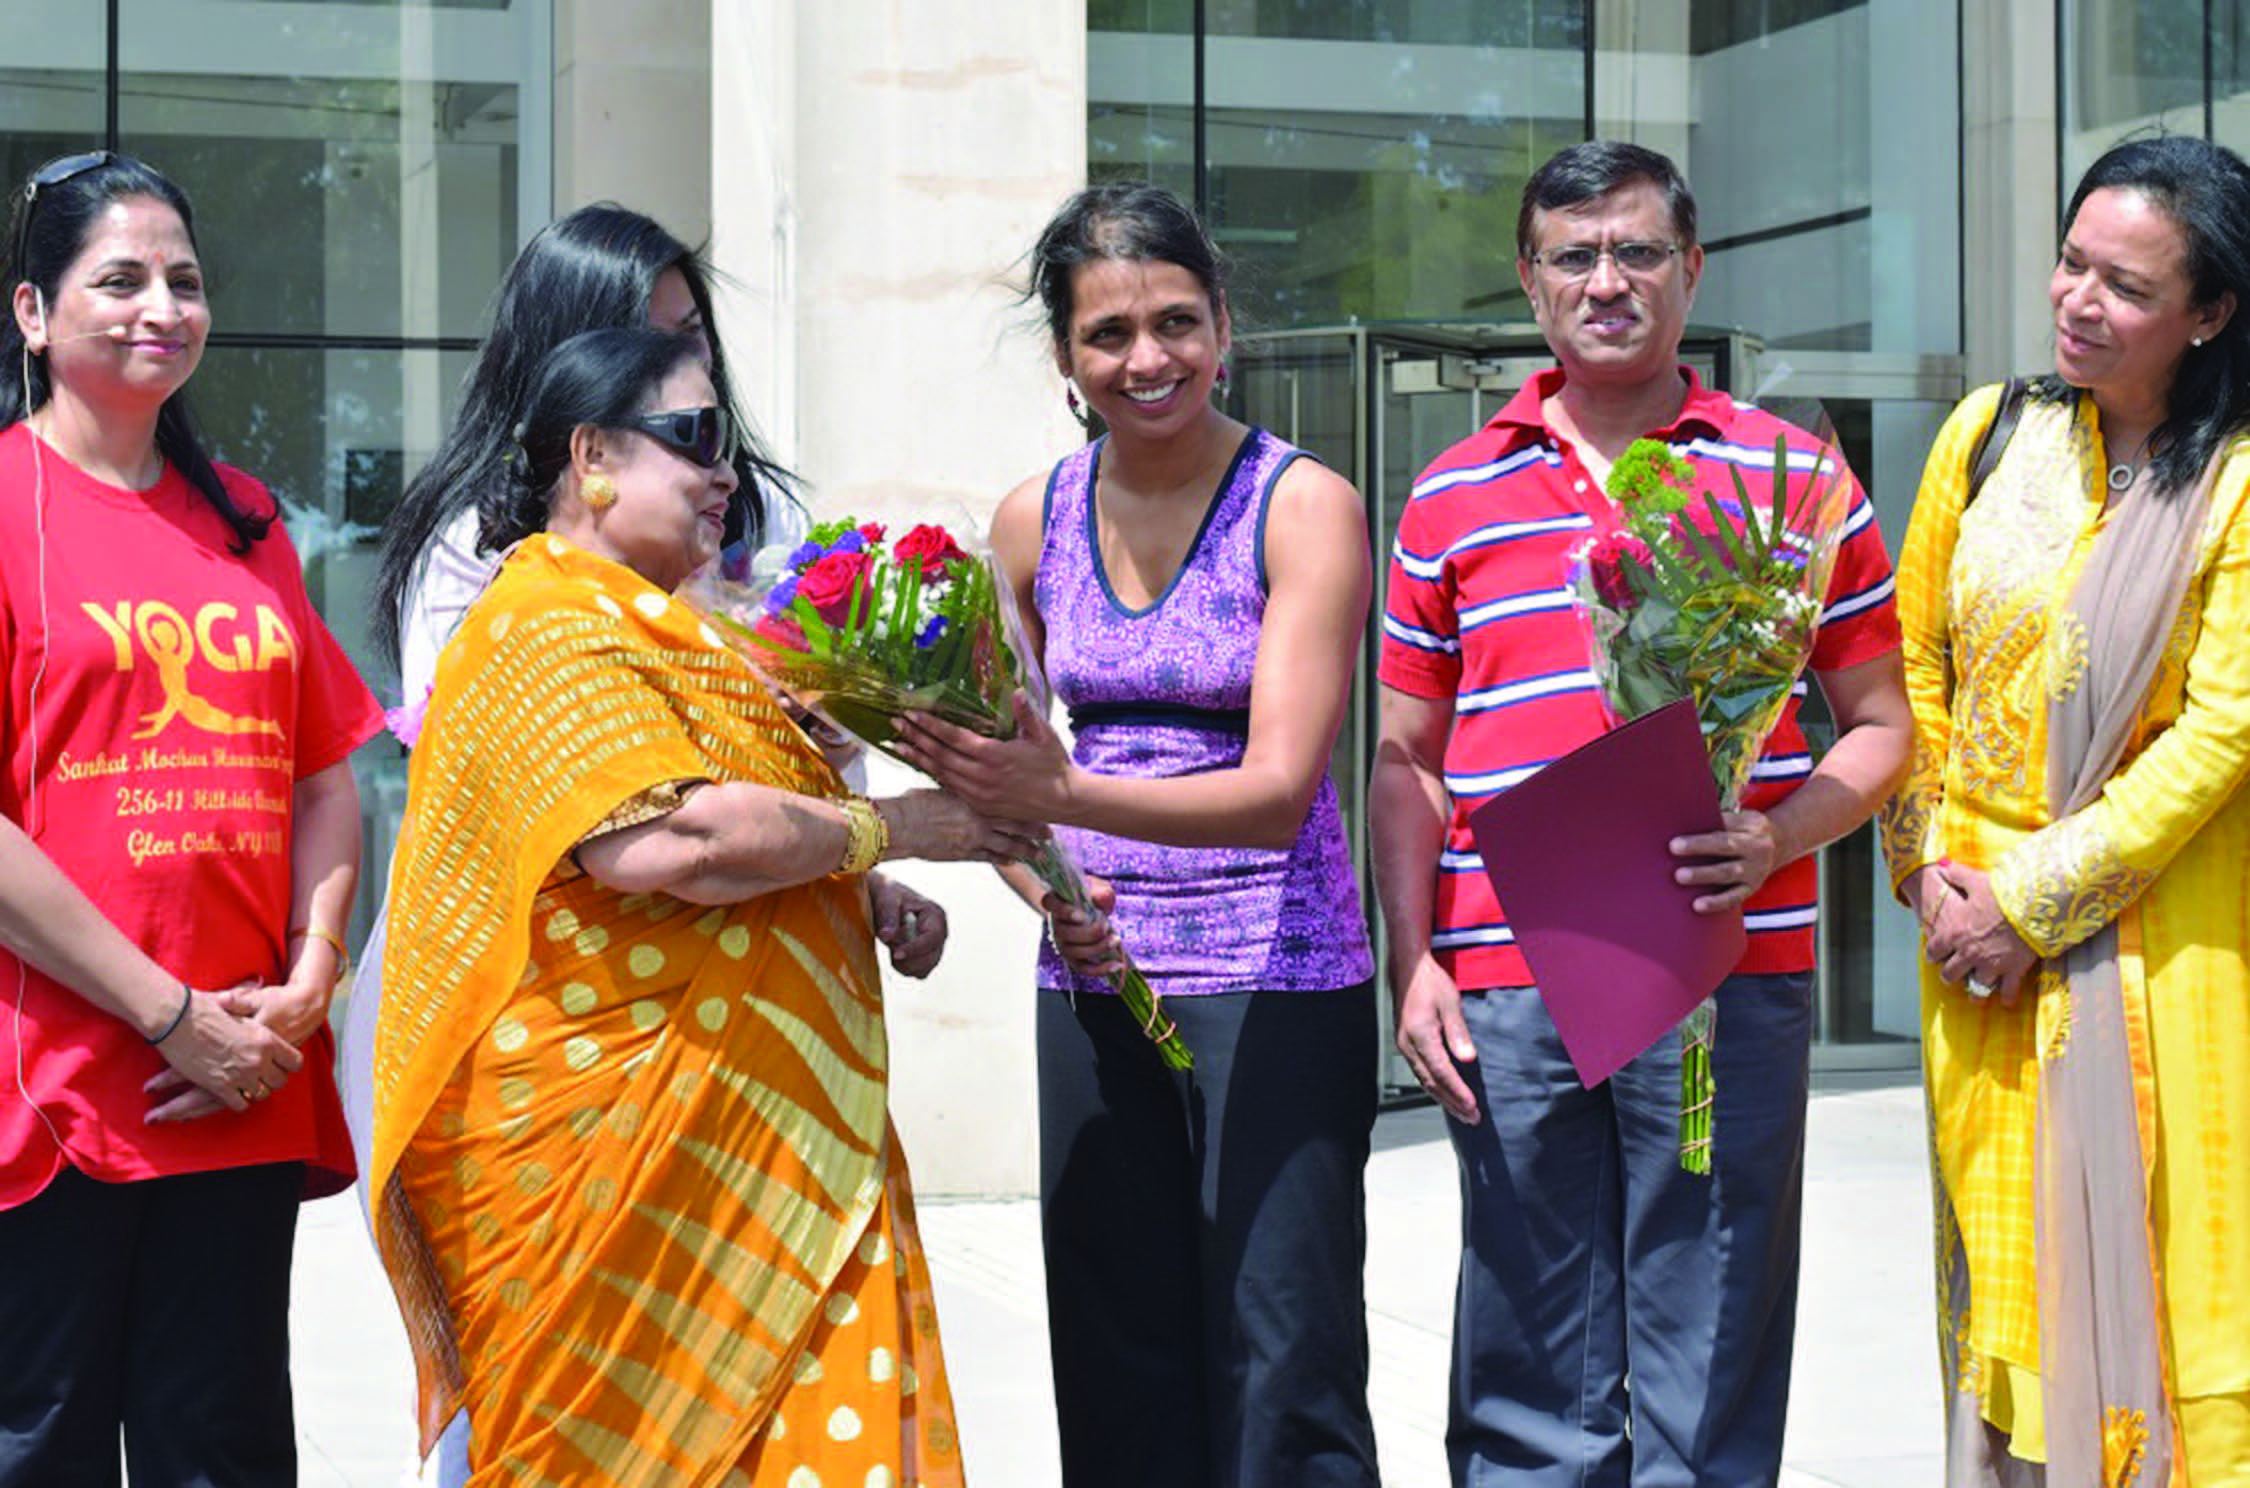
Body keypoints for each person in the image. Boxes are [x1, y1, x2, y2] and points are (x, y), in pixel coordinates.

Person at [368, 325, 1039, 1486]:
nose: (728, 472)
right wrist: (909, 829)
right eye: (697, 438)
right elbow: (669, 842)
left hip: (768, 1153)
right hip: (614, 1178)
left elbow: (734, 838)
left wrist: (862, 887)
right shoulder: (543, 628)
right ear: (591, 454)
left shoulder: (682, 640)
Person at [1369, 139, 1912, 1487]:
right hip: (1504, 970)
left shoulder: (1791, 480)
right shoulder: (1449, 494)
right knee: (1526, 1343)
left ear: (1690, 267)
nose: (1606, 282)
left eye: (1637, 252)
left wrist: (1780, 835)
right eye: (1574, 255)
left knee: (1710, 1332)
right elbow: (1404, 761)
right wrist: (1413, 961)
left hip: (1726, 965)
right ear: (1527, 280)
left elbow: (1885, 724)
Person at [895, 182, 1381, 1488]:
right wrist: (1034, 871)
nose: (1145, 358)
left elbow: (1280, 787)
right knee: (1116, 1357)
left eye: (1174, 321)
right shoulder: (1029, 519)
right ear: (1063, 356)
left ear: (1222, 326)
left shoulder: (1301, 505)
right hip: (1093, 981)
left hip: (1274, 987)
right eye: (1107, 333)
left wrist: (1059, 802)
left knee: (1286, 1362)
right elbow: (999, 773)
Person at [0, 151, 382, 1483]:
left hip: (239, 1083)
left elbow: (326, 776)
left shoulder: (248, 524)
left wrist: (310, 980)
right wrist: (171, 1014)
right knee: (36, 1444)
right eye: (119, 279)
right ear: (34, 313)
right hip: (56, 1093)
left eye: (185, 281)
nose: (160, 305)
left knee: (217, 1451)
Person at [1881, 134, 2250, 1486]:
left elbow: (2223, 728)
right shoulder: (1983, 435)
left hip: (2160, 946)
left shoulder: (2235, 479)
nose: (2077, 301)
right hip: (1958, 945)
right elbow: (1906, 666)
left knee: (2160, 1254)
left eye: (2125, 286)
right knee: (2001, 1259)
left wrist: (2033, 903)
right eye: (2068, 263)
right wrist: (1927, 873)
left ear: (2207, 313)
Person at [372, 201, 799, 708]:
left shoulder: (754, 504)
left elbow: (832, 744)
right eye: (646, 342)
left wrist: (827, 720)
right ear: (589, 452)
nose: (685, 362)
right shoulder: (473, 541)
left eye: (691, 333)